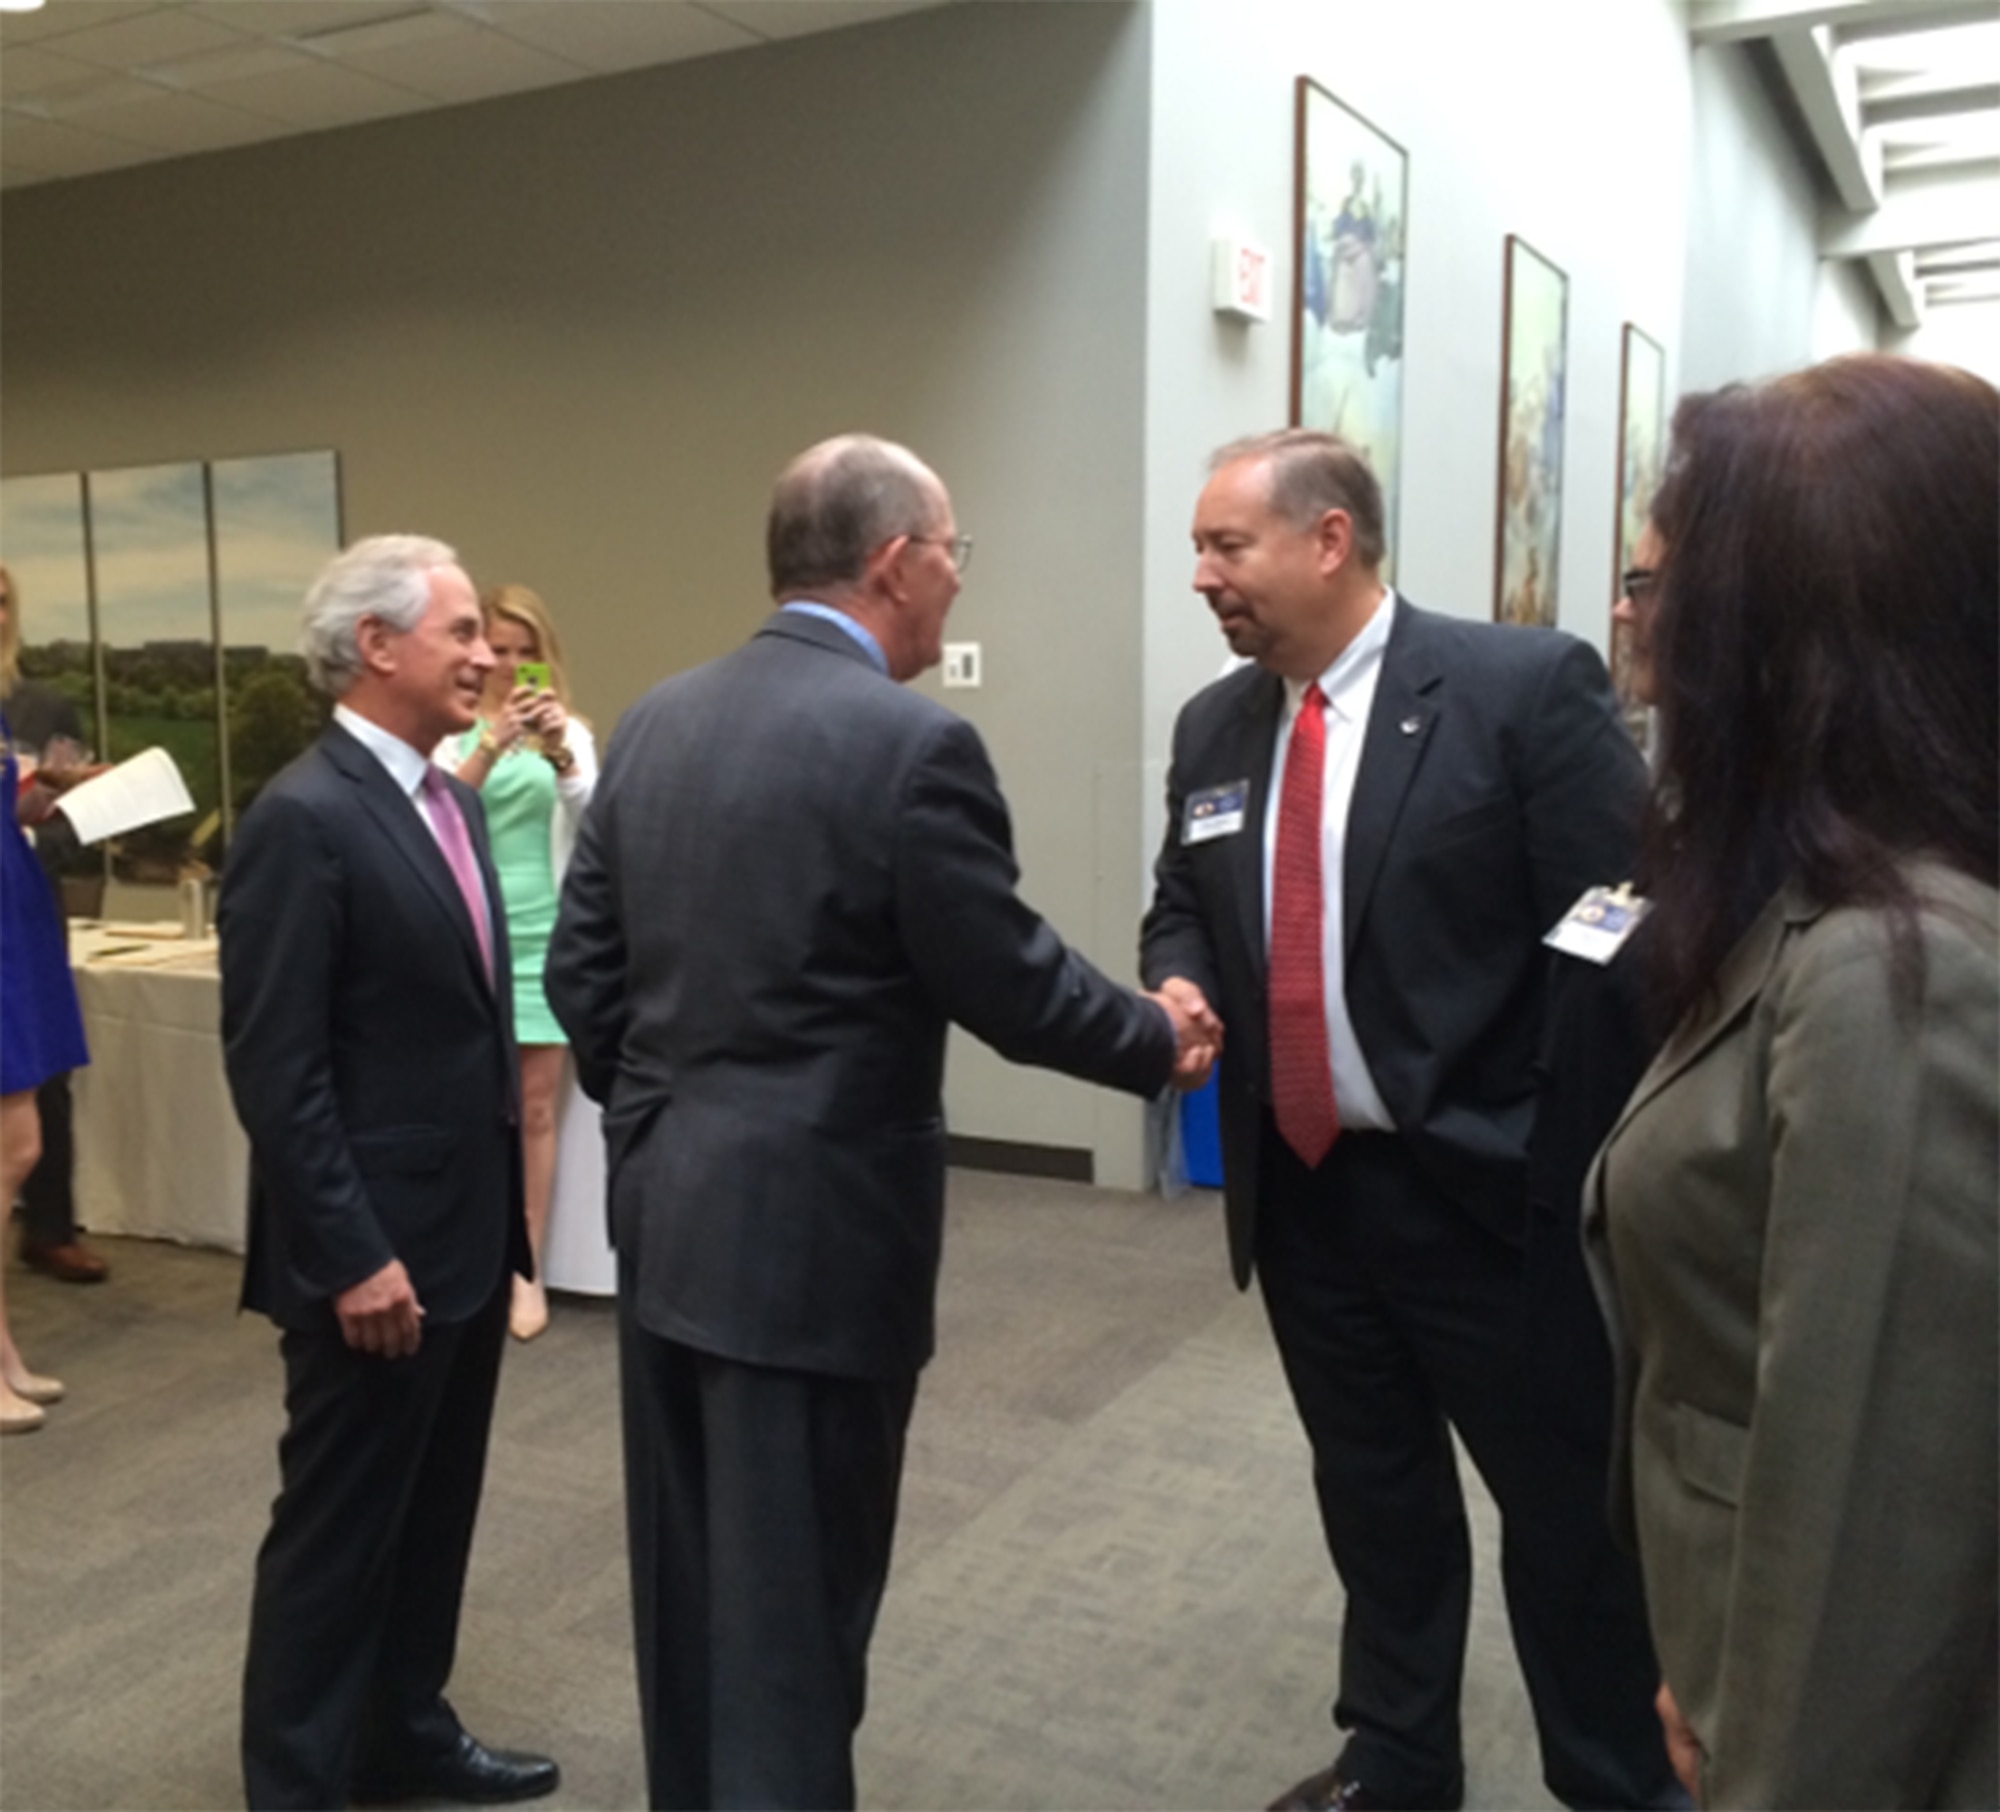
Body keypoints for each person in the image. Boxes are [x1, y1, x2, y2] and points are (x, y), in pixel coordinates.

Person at [546, 432, 1215, 1810]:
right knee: (797, 1616)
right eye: (955, 557)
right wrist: (1161, 1041)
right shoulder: (915, 747)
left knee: (693, 1595)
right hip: (812, 1254)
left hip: (666, 1226)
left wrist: (682, 1127)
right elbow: (1006, 978)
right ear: (896, 562)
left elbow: (582, 982)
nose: (959, 587)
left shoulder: (660, 716)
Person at [1141, 429, 1678, 1811]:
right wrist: (1180, 976)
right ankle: (1396, 1758)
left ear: (1330, 540)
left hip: (1489, 1192)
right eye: (1199, 548)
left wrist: (1532, 1105)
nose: (1201, 575)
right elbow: (1182, 899)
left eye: (1226, 546)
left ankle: (1616, 1780)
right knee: (1374, 1496)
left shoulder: (1513, 688)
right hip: (1309, 1191)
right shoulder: (1216, 727)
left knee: (1563, 1518)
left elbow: (1620, 917)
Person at [1583, 354, 1998, 1809]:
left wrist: (1759, 1732)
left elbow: (1879, 1515)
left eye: (1667, 593)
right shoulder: (1826, 893)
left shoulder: (1899, 970)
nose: (1641, 634)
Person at [218, 535, 559, 1809]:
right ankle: (298, 1780)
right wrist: (354, 1252)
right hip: (371, 1259)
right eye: (463, 632)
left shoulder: (451, 799)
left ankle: (401, 1729)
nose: (487, 655)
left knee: (429, 1519)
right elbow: (275, 1069)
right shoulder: (301, 820)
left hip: (463, 1247)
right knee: (337, 1536)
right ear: (375, 646)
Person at [440, 583, 598, 1341]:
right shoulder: (447, 735)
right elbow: (438, 817)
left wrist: (561, 750)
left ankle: (524, 1268)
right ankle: (467, 1254)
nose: (504, 664)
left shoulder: (570, 735)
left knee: (536, 1109)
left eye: (519, 651)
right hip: (467, 935)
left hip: (544, 939)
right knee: (476, 1109)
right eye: (494, 649)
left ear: (542, 656)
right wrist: (490, 742)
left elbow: (597, 823)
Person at [0, 562, 110, 1286]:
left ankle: (49, 1227)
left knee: (46, 1074)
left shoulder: (43, 708)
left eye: (1, 599)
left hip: (27, 901)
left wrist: (38, 824)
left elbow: (75, 822)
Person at [0, 575, 92, 1433]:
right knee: (10, 1151)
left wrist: (48, 793)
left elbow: (11, 810)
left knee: (17, 1146)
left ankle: (3, 1351)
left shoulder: (5, 702)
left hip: (16, 909)